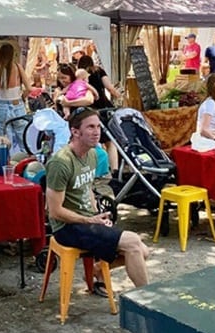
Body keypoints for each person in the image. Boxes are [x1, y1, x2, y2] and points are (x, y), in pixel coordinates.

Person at [46, 108, 149, 290]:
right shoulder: (61, 162)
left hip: (87, 220)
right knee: (133, 243)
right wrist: (88, 220)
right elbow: (54, 211)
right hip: (66, 227)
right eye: (91, 127)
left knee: (143, 251)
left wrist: (97, 215)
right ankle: (148, 301)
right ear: (75, 131)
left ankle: (98, 270)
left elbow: (88, 189)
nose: (97, 132)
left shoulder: (93, 154)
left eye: (98, 127)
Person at [0, 43, 34, 152]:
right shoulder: (17, 67)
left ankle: (5, 163)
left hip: (1, 105)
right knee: (23, 139)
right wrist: (23, 97)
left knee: (3, 140)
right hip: (17, 104)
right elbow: (29, 89)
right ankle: (26, 163)